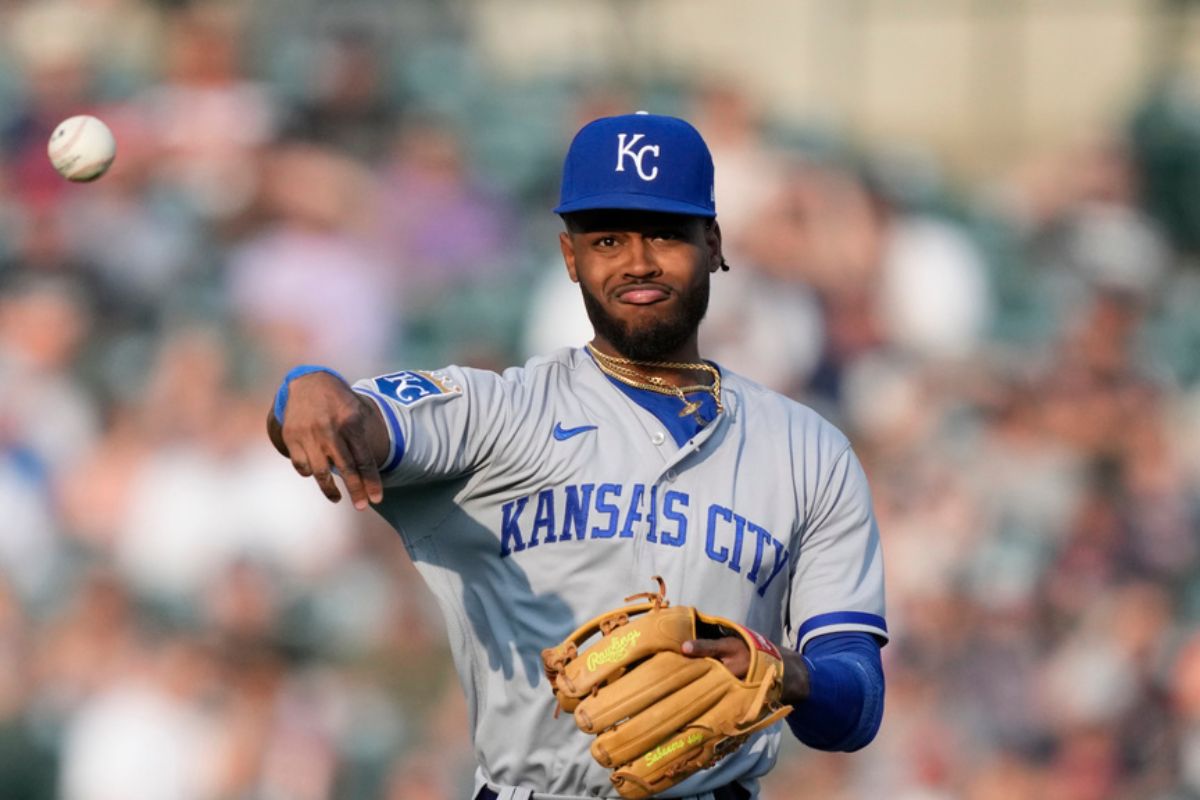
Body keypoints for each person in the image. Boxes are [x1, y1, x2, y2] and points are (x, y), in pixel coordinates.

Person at [267, 112, 887, 800]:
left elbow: (856, 706)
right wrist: (309, 388)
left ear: (712, 243)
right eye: (609, 238)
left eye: (665, 234)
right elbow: (361, 417)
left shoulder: (810, 451)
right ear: (570, 256)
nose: (638, 261)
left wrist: (779, 671)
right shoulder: (501, 413)